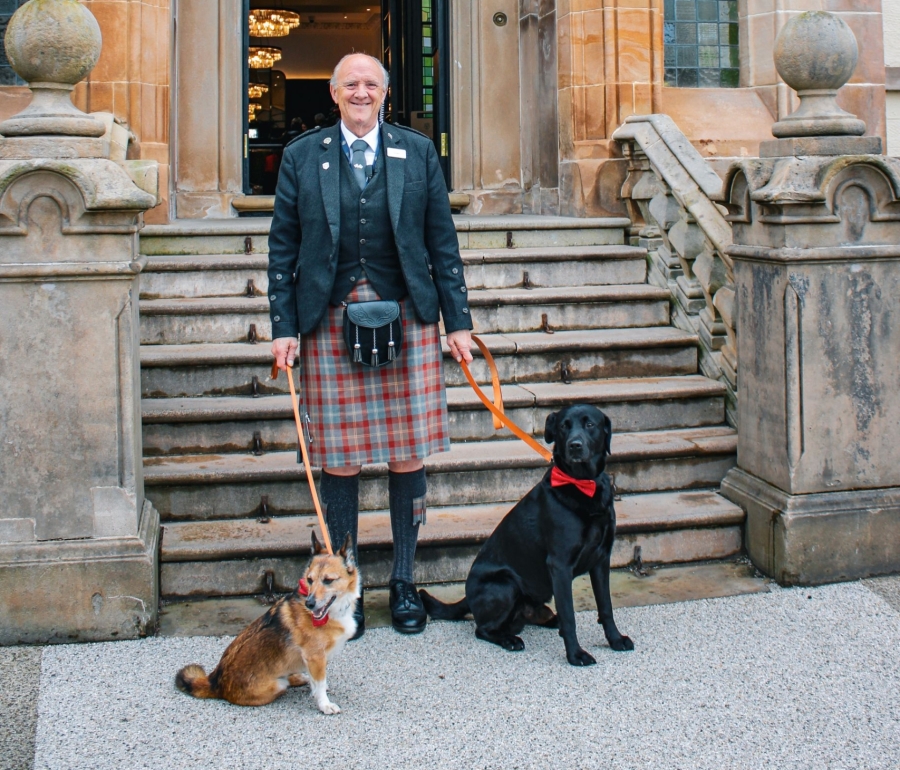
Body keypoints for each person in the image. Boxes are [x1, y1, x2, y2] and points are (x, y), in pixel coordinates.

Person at [267, 53, 473, 638]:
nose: (361, 93)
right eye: (350, 84)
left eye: (371, 85)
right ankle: (344, 592)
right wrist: (284, 325)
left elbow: (442, 240)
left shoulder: (418, 151)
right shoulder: (304, 155)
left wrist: (457, 321)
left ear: (385, 93)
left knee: (408, 450)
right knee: (340, 455)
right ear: (334, 93)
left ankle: (404, 582)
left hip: (407, 312)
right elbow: (283, 245)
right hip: (327, 317)